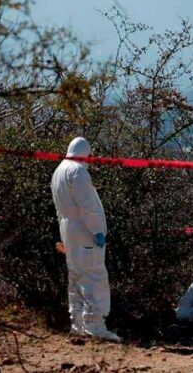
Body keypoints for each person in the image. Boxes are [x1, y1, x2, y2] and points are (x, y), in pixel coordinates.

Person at [51, 137, 120, 342]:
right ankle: (95, 326)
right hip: (84, 230)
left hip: (67, 228)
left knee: (76, 276)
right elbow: (88, 205)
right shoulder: (78, 171)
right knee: (93, 275)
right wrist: (97, 230)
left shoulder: (58, 171)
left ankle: (78, 324)